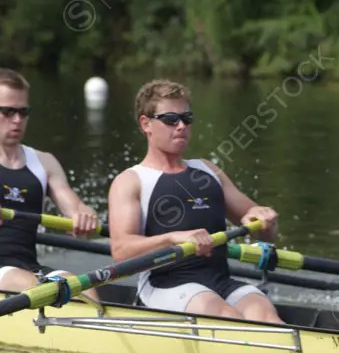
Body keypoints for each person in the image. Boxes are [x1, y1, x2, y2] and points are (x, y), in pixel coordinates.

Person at [108, 79, 283, 323]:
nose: (181, 126)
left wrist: (265, 219)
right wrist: (173, 238)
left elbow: (262, 230)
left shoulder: (208, 170)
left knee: (264, 314)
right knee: (226, 315)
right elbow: (121, 251)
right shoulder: (131, 181)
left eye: (186, 118)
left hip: (220, 282)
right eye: (171, 119)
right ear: (146, 123)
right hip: (165, 286)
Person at [0, 68, 101, 298]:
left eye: (23, 112)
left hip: (27, 270)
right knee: (35, 286)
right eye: (7, 111)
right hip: (13, 277)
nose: (17, 120)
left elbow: (75, 208)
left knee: (84, 290)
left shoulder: (44, 162)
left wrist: (85, 214)